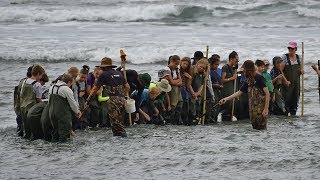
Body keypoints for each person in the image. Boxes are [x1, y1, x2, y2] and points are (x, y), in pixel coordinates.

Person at [219, 60, 270, 130]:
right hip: (252, 110)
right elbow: (240, 92)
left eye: (245, 70)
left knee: (261, 129)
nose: (244, 72)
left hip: (261, 109)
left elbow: (267, 93)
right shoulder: (248, 80)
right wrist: (226, 99)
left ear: (249, 70)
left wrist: (266, 109)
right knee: (255, 129)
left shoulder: (259, 78)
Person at [86, 57, 130, 137]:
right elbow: (127, 87)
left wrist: (87, 101)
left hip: (113, 100)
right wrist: (124, 96)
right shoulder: (119, 73)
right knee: (120, 122)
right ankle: (122, 140)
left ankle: (120, 140)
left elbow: (95, 89)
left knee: (115, 124)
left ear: (104, 67)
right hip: (123, 100)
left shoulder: (104, 74)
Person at [48, 73, 81, 142]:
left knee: (55, 133)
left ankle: (55, 149)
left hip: (51, 114)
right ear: (69, 82)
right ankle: (62, 151)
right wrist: (77, 112)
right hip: (62, 115)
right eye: (71, 84)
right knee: (64, 136)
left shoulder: (52, 87)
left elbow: (49, 101)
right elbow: (73, 104)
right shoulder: (66, 89)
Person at [20, 64, 45, 139]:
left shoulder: (24, 81)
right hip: (31, 108)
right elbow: (38, 99)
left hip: (23, 107)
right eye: (41, 75)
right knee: (33, 129)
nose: (41, 78)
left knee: (26, 129)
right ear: (38, 74)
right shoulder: (37, 84)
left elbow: (21, 94)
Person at [281, 41, 304, 116]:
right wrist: (285, 80)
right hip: (287, 83)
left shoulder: (299, 57)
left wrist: (302, 71)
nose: (290, 50)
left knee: (295, 98)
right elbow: (280, 71)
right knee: (286, 99)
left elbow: (301, 70)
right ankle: (285, 116)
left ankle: (293, 116)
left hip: (296, 83)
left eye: (292, 48)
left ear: (296, 49)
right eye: (289, 48)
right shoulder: (284, 57)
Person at [14, 65, 33, 136]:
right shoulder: (28, 82)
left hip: (18, 106)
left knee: (20, 126)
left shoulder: (23, 81)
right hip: (22, 107)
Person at [188, 58, 208, 125]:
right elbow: (189, 84)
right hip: (191, 92)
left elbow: (202, 85)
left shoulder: (203, 74)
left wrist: (197, 93)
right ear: (197, 64)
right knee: (192, 108)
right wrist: (193, 94)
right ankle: (190, 121)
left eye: (203, 68)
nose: (201, 68)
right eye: (200, 67)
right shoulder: (192, 71)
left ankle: (196, 121)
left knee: (198, 108)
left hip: (198, 93)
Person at [221, 51, 239, 121]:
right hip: (227, 90)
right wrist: (231, 78)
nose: (237, 61)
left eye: (238, 60)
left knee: (233, 106)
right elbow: (223, 80)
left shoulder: (234, 68)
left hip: (233, 91)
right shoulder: (225, 67)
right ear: (231, 59)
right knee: (227, 107)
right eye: (236, 60)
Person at [73, 65, 90, 130]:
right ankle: (78, 125)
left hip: (83, 98)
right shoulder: (75, 82)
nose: (82, 79)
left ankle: (84, 125)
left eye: (84, 78)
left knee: (86, 110)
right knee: (80, 109)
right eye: (81, 77)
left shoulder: (85, 81)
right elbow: (75, 96)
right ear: (79, 74)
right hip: (76, 98)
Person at [209, 55, 223, 122]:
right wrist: (216, 85)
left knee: (217, 107)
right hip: (212, 91)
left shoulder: (215, 72)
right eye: (215, 64)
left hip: (218, 92)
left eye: (218, 65)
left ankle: (214, 119)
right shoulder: (209, 72)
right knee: (213, 107)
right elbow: (208, 84)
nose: (217, 66)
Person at [179, 57, 193, 125]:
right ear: (181, 62)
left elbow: (188, 85)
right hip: (180, 89)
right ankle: (182, 119)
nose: (185, 65)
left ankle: (185, 120)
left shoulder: (187, 72)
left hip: (185, 89)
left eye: (187, 64)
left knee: (187, 103)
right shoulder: (178, 71)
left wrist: (189, 77)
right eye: (184, 63)